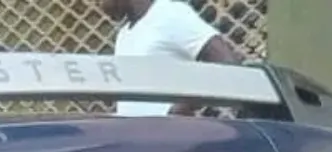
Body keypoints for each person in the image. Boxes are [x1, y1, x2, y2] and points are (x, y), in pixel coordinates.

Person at [100, 0, 244, 116]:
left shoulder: (169, 14)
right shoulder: (124, 34)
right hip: (134, 140)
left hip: (169, 137)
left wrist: (181, 106)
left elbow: (227, 63)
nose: (101, 5)